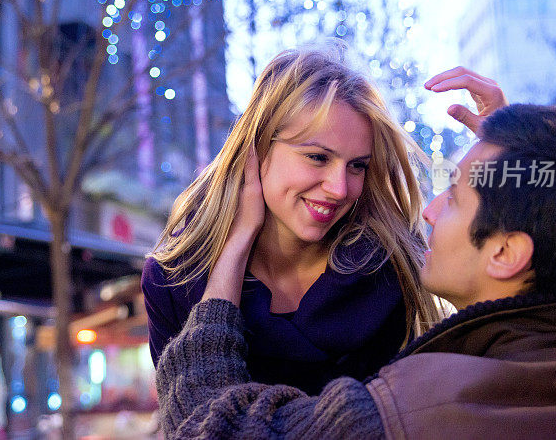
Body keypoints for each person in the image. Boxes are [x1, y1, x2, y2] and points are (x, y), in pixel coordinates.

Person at [155, 101, 556, 439]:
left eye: (454, 198)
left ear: (506, 255)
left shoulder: (410, 413)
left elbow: (211, 426)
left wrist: (231, 252)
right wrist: (533, 157)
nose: (431, 211)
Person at [142, 48, 505, 394]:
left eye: (357, 166)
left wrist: (515, 164)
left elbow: (496, 357)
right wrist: (235, 247)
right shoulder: (175, 281)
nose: (339, 188)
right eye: (317, 157)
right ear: (257, 148)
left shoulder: (395, 264)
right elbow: (194, 422)